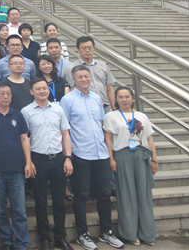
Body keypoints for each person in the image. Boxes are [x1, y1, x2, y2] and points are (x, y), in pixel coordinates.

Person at [60, 66, 124, 250]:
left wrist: (109, 154)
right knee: (81, 195)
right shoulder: (67, 100)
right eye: (80, 77)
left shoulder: (96, 98)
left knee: (104, 194)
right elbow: (64, 129)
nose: (84, 79)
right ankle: (82, 234)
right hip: (80, 153)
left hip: (101, 153)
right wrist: (68, 156)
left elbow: (101, 125)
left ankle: (106, 231)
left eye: (86, 76)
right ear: (73, 80)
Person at [21, 78, 74, 250]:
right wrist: (29, 161)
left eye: (44, 88)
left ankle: (61, 237)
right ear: (32, 92)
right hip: (38, 159)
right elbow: (24, 138)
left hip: (58, 158)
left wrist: (68, 158)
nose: (42, 91)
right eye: (38, 89)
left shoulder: (58, 109)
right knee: (41, 202)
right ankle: (44, 238)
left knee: (59, 201)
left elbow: (65, 134)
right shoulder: (26, 111)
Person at [103, 86, 157, 246]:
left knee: (144, 195)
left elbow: (150, 139)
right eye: (120, 97)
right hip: (122, 156)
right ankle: (130, 234)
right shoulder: (111, 116)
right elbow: (108, 139)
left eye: (127, 96)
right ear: (116, 99)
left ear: (133, 98)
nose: (124, 100)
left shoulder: (141, 116)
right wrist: (111, 158)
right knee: (126, 196)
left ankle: (148, 234)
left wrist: (154, 160)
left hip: (142, 156)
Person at [0, 80, 34, 250]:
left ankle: (21, 243)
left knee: (19, 209)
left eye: (8, 94)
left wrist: (28, 162)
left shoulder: (17, 115)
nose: (6, 97)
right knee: (0, 209)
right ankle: (6, 241)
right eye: (2, 94)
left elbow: (24, 139)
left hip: (17, 169)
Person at [70, 36, 117, 113]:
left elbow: (109, 87)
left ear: (94, 48)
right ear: (78, 49)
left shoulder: (103, 65)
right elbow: (71, 88)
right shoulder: (72, 67)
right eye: (84, 48)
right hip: (84, 106)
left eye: (90, 48)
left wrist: (114, 107)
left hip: (103, 105)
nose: (87, 50)